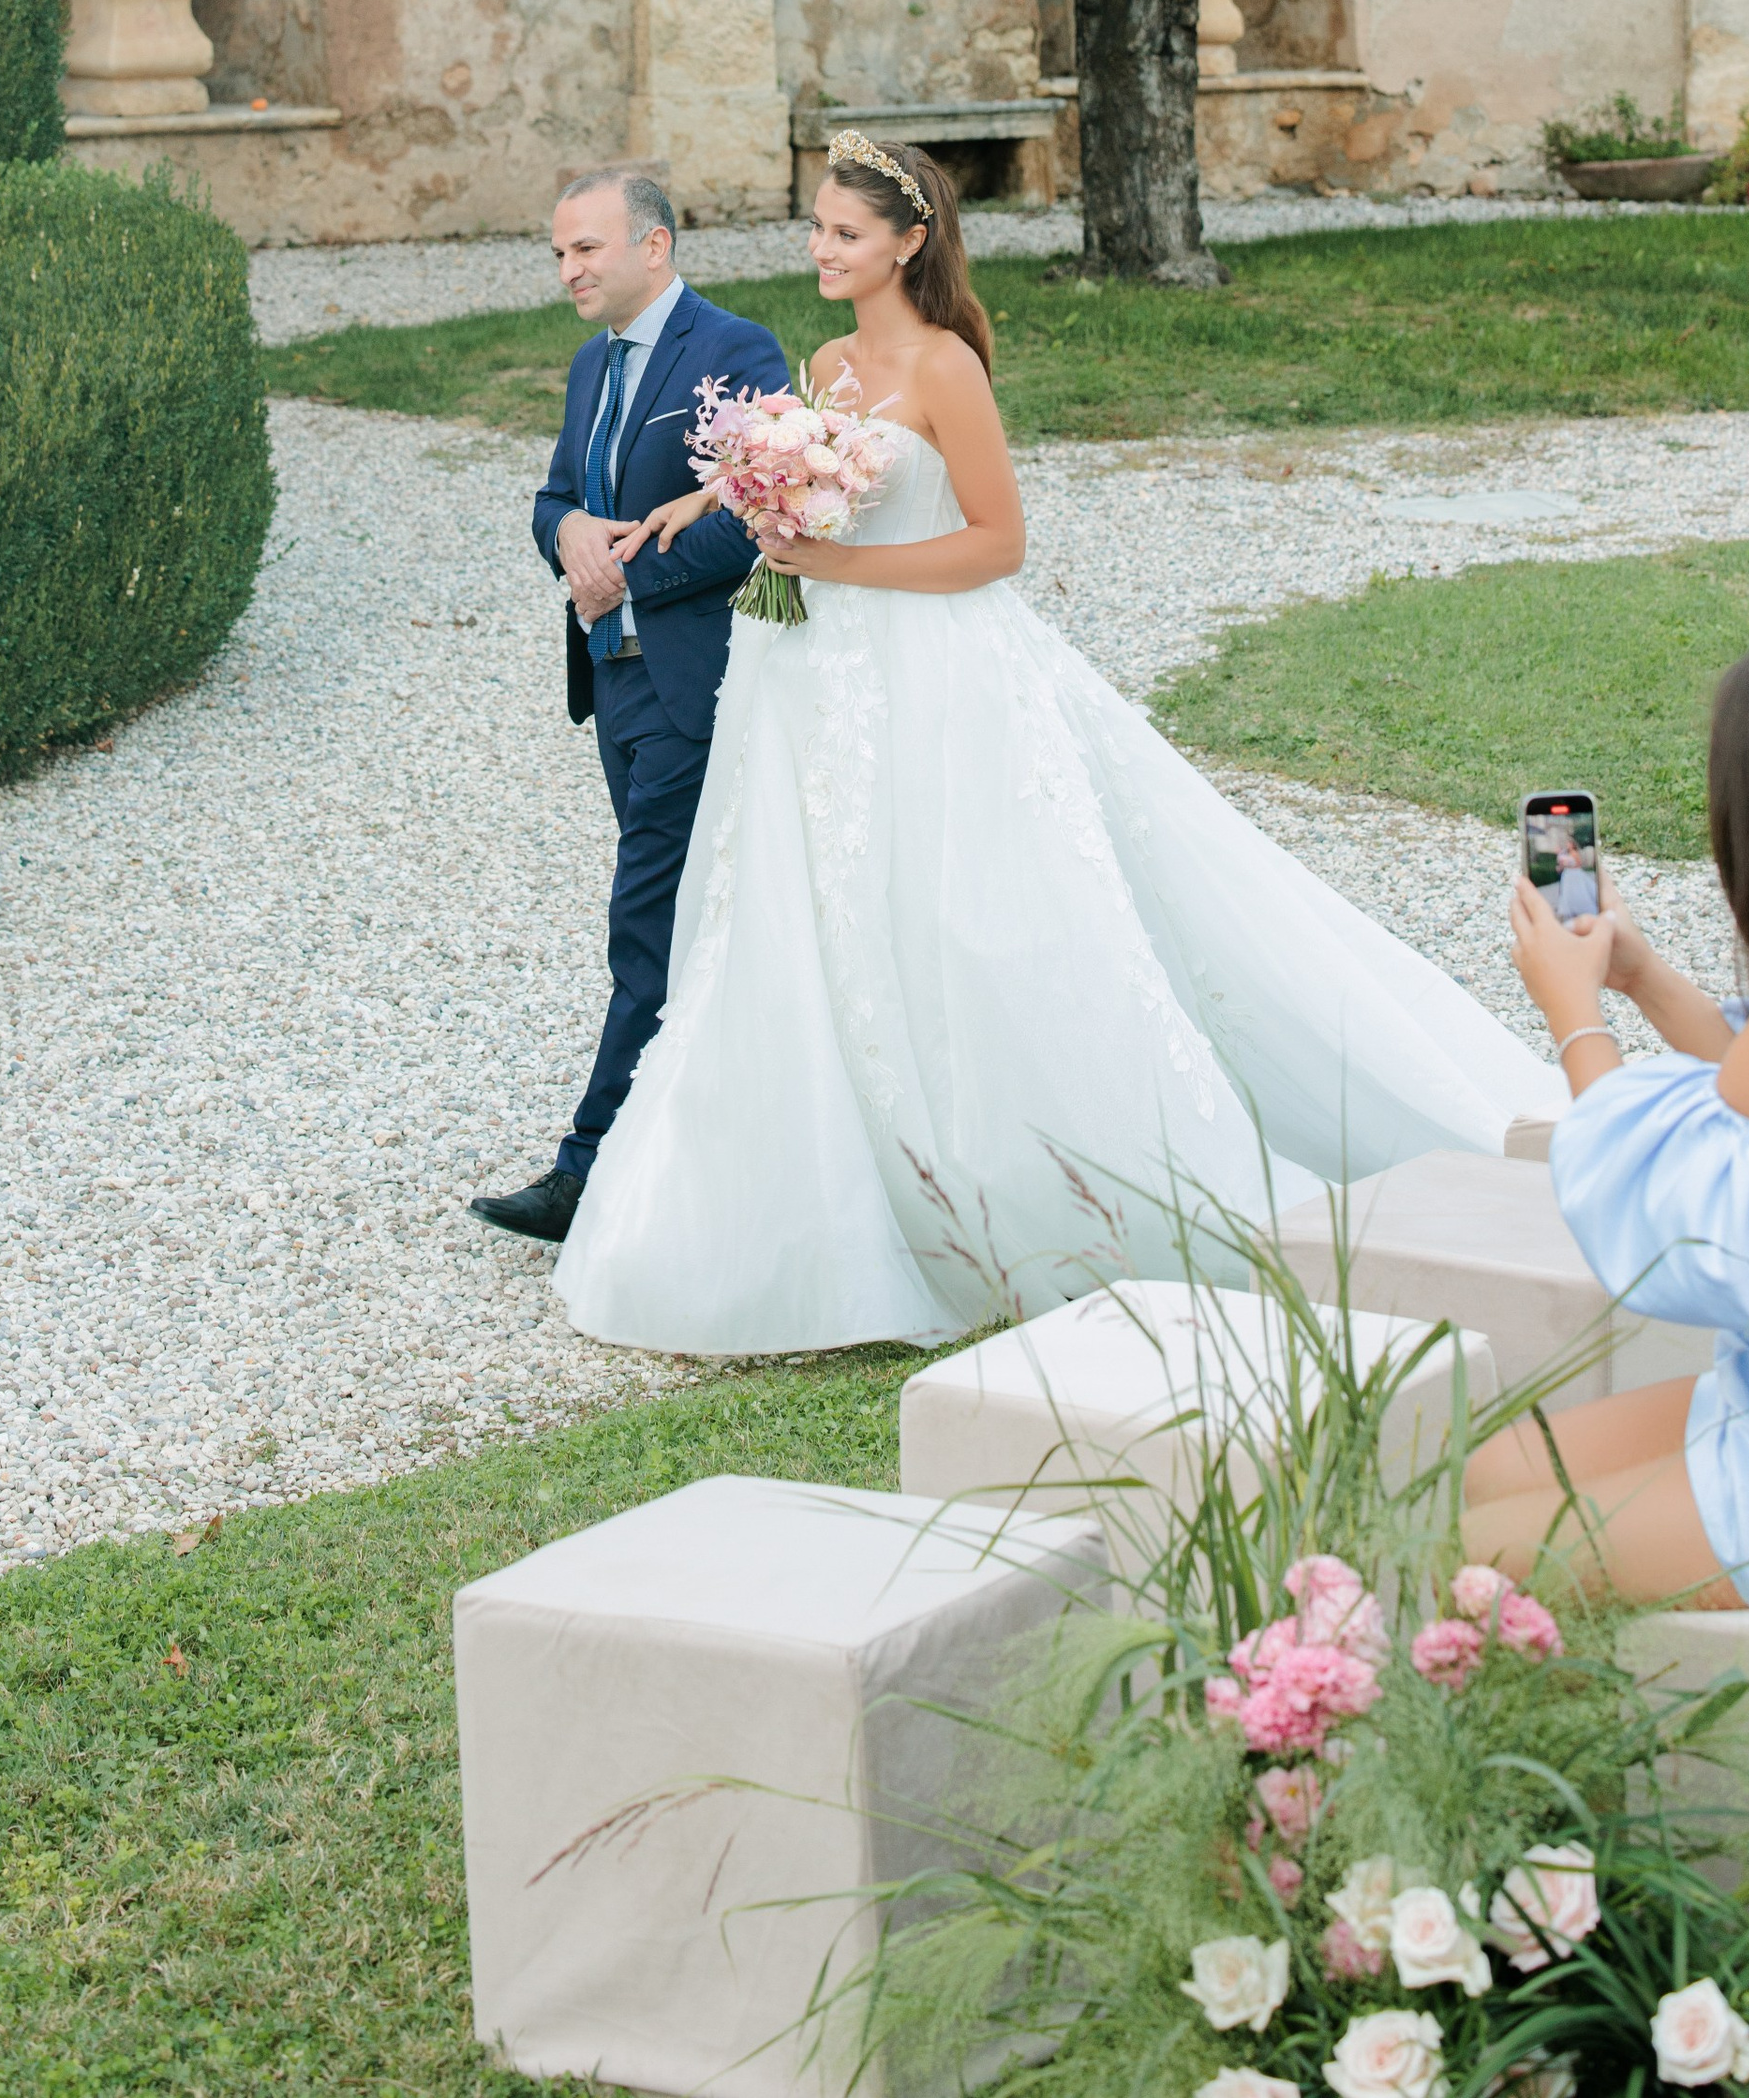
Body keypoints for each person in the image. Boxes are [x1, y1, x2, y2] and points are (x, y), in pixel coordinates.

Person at [550, 130, 1558, 1355]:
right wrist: (716, 493)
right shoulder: (824, 361)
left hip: (931, 672)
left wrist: (834, 563)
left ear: (907, 242)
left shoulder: (945, 366)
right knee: (812, 916)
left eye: (845, 232)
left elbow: (997, 542)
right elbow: (796, 462)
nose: (820, 248)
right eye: (816, 227)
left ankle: (1015, 1178)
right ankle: (834, 1191)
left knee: (963, 916)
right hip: (814, 678)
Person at [1471, 623, 1749, 1611]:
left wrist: (1573, 1014)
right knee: (1495, 1471)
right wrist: (1639, 974)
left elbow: (1672, 1227)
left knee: (1473, 1563)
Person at [467, 164, 791, 1247]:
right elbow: (559, 498)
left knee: (646, 918)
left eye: (586, 248)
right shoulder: (590, 365)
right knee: (688, 916)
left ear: (654, 246)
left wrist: (629, 575)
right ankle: (703, 1147)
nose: (568, 269)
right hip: (614, 679)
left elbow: (759, 512)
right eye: (559, 252)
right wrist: (566, 534)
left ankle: (589, 1169)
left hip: (691, 682)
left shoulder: (733, 351)